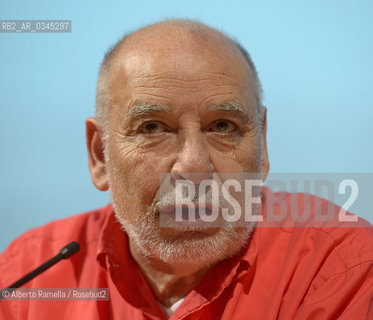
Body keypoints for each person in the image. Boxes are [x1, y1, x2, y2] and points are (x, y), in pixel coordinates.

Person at [0, 19, 372, 319]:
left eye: (223, 126)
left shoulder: (339, 266)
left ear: (262, 146)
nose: (194, 165)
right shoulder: (29, 277)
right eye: (152, 128)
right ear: (100, 156)